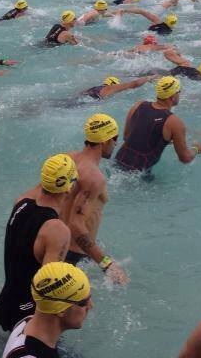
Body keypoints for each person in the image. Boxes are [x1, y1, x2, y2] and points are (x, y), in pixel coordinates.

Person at [0, 154, 77, 332]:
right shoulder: (57, 231)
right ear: (69, 188)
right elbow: (49, 290)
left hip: (2, 307)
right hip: (27, 318)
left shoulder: (21, 203)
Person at [64, 114, 130, 283]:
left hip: (61, 245)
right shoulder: (94, 177)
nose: (116, 143)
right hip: (75, 255)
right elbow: (76, 224)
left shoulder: (68, 158)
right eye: (114, 138)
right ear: (104, 141)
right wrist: (107, 264)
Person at [114, 76, 201, 172]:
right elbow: (185, 158)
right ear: (172, 96)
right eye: (179, 92)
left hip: (118, 161)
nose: (179, 94)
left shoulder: (138, 105)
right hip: (139, 173)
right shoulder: (174, 122)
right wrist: (196, 149)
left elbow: (126, 136)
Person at [2, 262, 93, 358]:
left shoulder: (27, 322)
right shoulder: (29, 355)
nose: (91, 306)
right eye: (83, 303)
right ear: (61, 310)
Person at [80, 75, 152, 101]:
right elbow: (135, 84)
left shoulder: (93, 88)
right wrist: (148, 78)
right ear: (114, 84)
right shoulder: (109, 88)